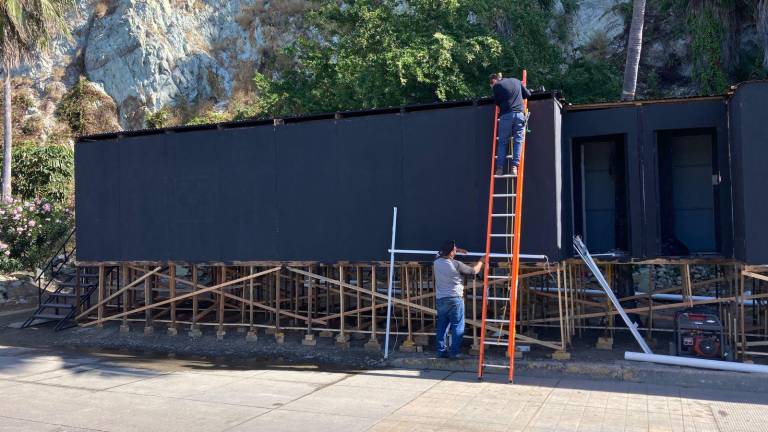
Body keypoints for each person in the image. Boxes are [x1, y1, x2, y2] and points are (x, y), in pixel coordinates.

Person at [434, 240, 482, 359]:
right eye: (454, 250)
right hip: (455, 300)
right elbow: (474, 271)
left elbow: (438, 253)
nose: (456, 251)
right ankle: (454, 352)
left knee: (442, 326)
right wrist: (482, 261)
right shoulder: (456, 264)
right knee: (457, 326)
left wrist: (457, 250)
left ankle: (441, 351)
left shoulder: (436, 262)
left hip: (441, 299)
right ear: (451, 252)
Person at [490, 73, 531, 177]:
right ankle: (514, 167)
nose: (491, 86)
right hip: (520, 115)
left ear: (494, 81)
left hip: (506, 116)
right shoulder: (516, 81)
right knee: (518, 141)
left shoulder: (497, 86)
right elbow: (528, 94)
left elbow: (497, 102)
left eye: (491, 84)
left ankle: (499, 169)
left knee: (503, 143)